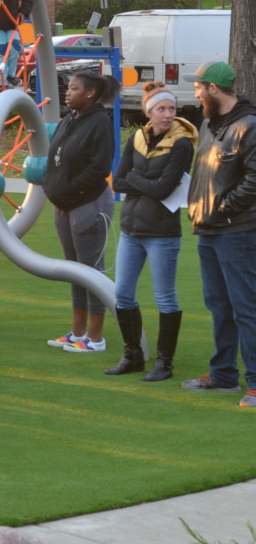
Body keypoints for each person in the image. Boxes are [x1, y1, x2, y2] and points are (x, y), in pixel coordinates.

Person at [106, 81, 196, 380]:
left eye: (172, 108)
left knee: (165, 298)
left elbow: (163, 189)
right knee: (122, 294)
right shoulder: (136, 138)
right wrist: (143, 183)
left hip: (162, 233)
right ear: (149, 112)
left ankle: (164, 364)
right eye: (161, 109)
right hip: (131, 229)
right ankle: (133, 356)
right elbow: (117, 181)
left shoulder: (182, 144)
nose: (168, 114)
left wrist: (135, 179)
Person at [184, 60, 256, 405]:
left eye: (199, 87)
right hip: (208, 229)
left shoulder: (249, 125)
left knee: (246, 307)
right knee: (218, 305)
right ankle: (224, 375)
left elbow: (254, 179)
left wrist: (223, 208)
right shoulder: (209, 124)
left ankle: (255, 382)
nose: (196, 93)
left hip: (237, 231)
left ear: (213, 88)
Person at [42, 71, 116, 353]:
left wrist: (69, 193)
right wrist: (53, 189)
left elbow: (99, 168)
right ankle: (77, 332)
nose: (67, 92)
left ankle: (95, 338)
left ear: (90, 93)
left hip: (88, 205)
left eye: (74, 88)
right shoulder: (70, 118)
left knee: (91, 270)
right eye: (68, 88)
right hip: (64, 205)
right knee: (74, 269)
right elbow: (55, 159)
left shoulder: (100, 123)